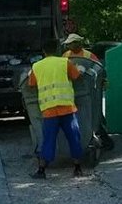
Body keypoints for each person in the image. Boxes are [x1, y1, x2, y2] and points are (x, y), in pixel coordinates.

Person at [28, 38, 84, 179]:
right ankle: (77, 168)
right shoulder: (65, 62)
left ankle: (41, 171)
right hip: (67, 109)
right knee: (74, 138)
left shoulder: (37, 66)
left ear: (43, 52)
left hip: (49, 110)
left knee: (48, 140)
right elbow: (77, 76)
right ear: (58, 50)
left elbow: (31, 84)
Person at [62, 33, 115, 151]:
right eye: (69, 44)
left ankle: (101, 138)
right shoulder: (65, 56)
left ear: (78, 43)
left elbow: (98, 68)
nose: (70, 45)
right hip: (72, 90)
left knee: (93, 114)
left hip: (89, 89)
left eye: (72, 43)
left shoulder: (88, 55)